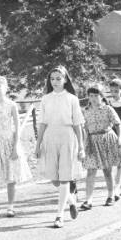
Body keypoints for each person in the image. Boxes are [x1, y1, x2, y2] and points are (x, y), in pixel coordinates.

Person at [34, 66, 85, 228]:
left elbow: (77, 124)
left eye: (58, 78)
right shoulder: (45, 99)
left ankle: (59, 216)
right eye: (52, 79)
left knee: (64, 178)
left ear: (65, 80)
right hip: (50, 138)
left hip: (68, 138)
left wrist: (81, 146)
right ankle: (71, 201)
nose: (55, 81)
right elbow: (42, 122)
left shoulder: (72, 99)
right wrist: (38, 144)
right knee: (55, 179)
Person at [0, 76, 31, 219]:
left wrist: (15, 147)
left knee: (11, 177)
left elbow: (17, 127)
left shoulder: (11, 105)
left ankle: (10, 207)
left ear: (6, 87)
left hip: (9, 143)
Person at [81, 84, 121, 209]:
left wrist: (120, 138)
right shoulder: (85, 111)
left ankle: (111, 195)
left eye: (96, 96)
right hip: (92, 141)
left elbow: (118, 125)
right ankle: (88, 200)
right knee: (91, 171)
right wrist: (82, 144)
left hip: (107, 139)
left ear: (101, 96)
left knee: (107, 170)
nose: (94, 98)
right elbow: (84, 128)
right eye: (91, 96)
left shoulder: (108, 109)